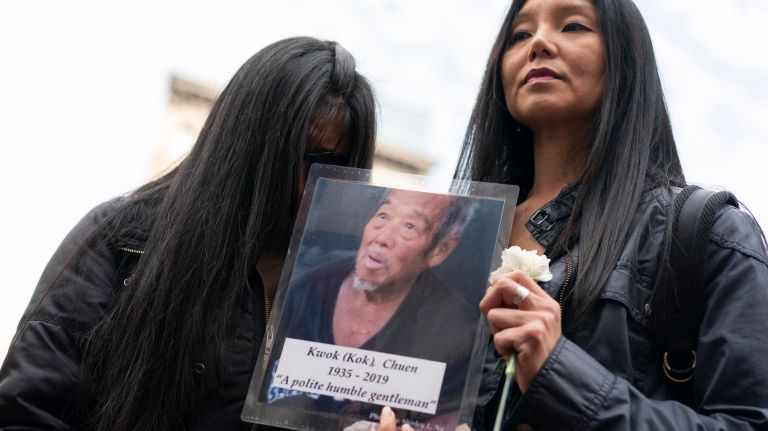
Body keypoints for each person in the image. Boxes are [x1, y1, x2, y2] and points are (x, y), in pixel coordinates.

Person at [0, 36, 376, 430]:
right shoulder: (124, 243)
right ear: (249, 146)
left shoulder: (350, 290)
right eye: (305, 157)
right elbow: (30, 413)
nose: (311, 186)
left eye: (339, 167)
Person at [454, 0, 768, 429]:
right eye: (520, 35)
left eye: (573, 25)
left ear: (626, 58)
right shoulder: (451, 237)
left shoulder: (709, 234)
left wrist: (560, 374)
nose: (540, 43)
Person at [266, 189, 478, 427]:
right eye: (383, 216)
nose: (382, 238)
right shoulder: (308, 290)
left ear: (441, 249)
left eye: (409, 226)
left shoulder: (457, 332)